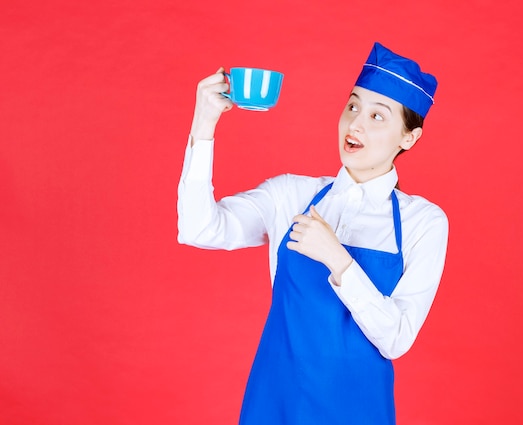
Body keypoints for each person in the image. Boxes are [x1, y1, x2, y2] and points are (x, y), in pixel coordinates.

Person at [177, 42, 449, 425]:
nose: (355, 124)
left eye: (377, 116)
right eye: (353, 106)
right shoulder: (291, 194)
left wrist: (338, 259)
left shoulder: (425, 221)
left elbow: (396, 338)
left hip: (359, 412)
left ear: (409, 139)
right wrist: (203, 123)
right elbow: (198, 228)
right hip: (275, 405)